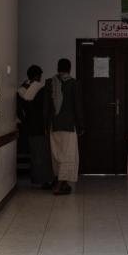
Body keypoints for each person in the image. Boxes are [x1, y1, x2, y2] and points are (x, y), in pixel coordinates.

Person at [44, 58, 83, 195]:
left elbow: (46, 107)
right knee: (69, 155)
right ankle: (59, 186)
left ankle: (64, 185)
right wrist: (81, 125)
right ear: (70, 68)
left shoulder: (50, 82)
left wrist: (46, 125)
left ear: (57, 68)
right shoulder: (74, 83)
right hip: (69, 126)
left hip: (54, 126)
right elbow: (78, 107)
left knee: (57, 155)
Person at [18, 65, 53, 188]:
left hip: (27, 127)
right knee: (42, 155)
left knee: (35, 155)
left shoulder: (22, 88)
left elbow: (20, 109)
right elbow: (44, 110)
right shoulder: (40, 88)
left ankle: (38, 179)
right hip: (39, 126)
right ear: (37, 76)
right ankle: (44, 180)